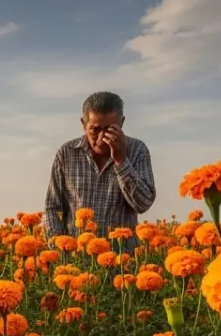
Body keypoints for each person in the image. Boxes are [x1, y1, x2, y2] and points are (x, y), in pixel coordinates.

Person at [44, 92, 156, 249]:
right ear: (83, 124)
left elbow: (143, 204)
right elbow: (52, 208)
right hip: (77, 259)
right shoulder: (67, 153)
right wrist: (60, 251)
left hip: (122, 262)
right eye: (95, 129)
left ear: (122, 123)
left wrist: (121, 160)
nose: (102, 138)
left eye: (110, 129)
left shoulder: (137, 150)